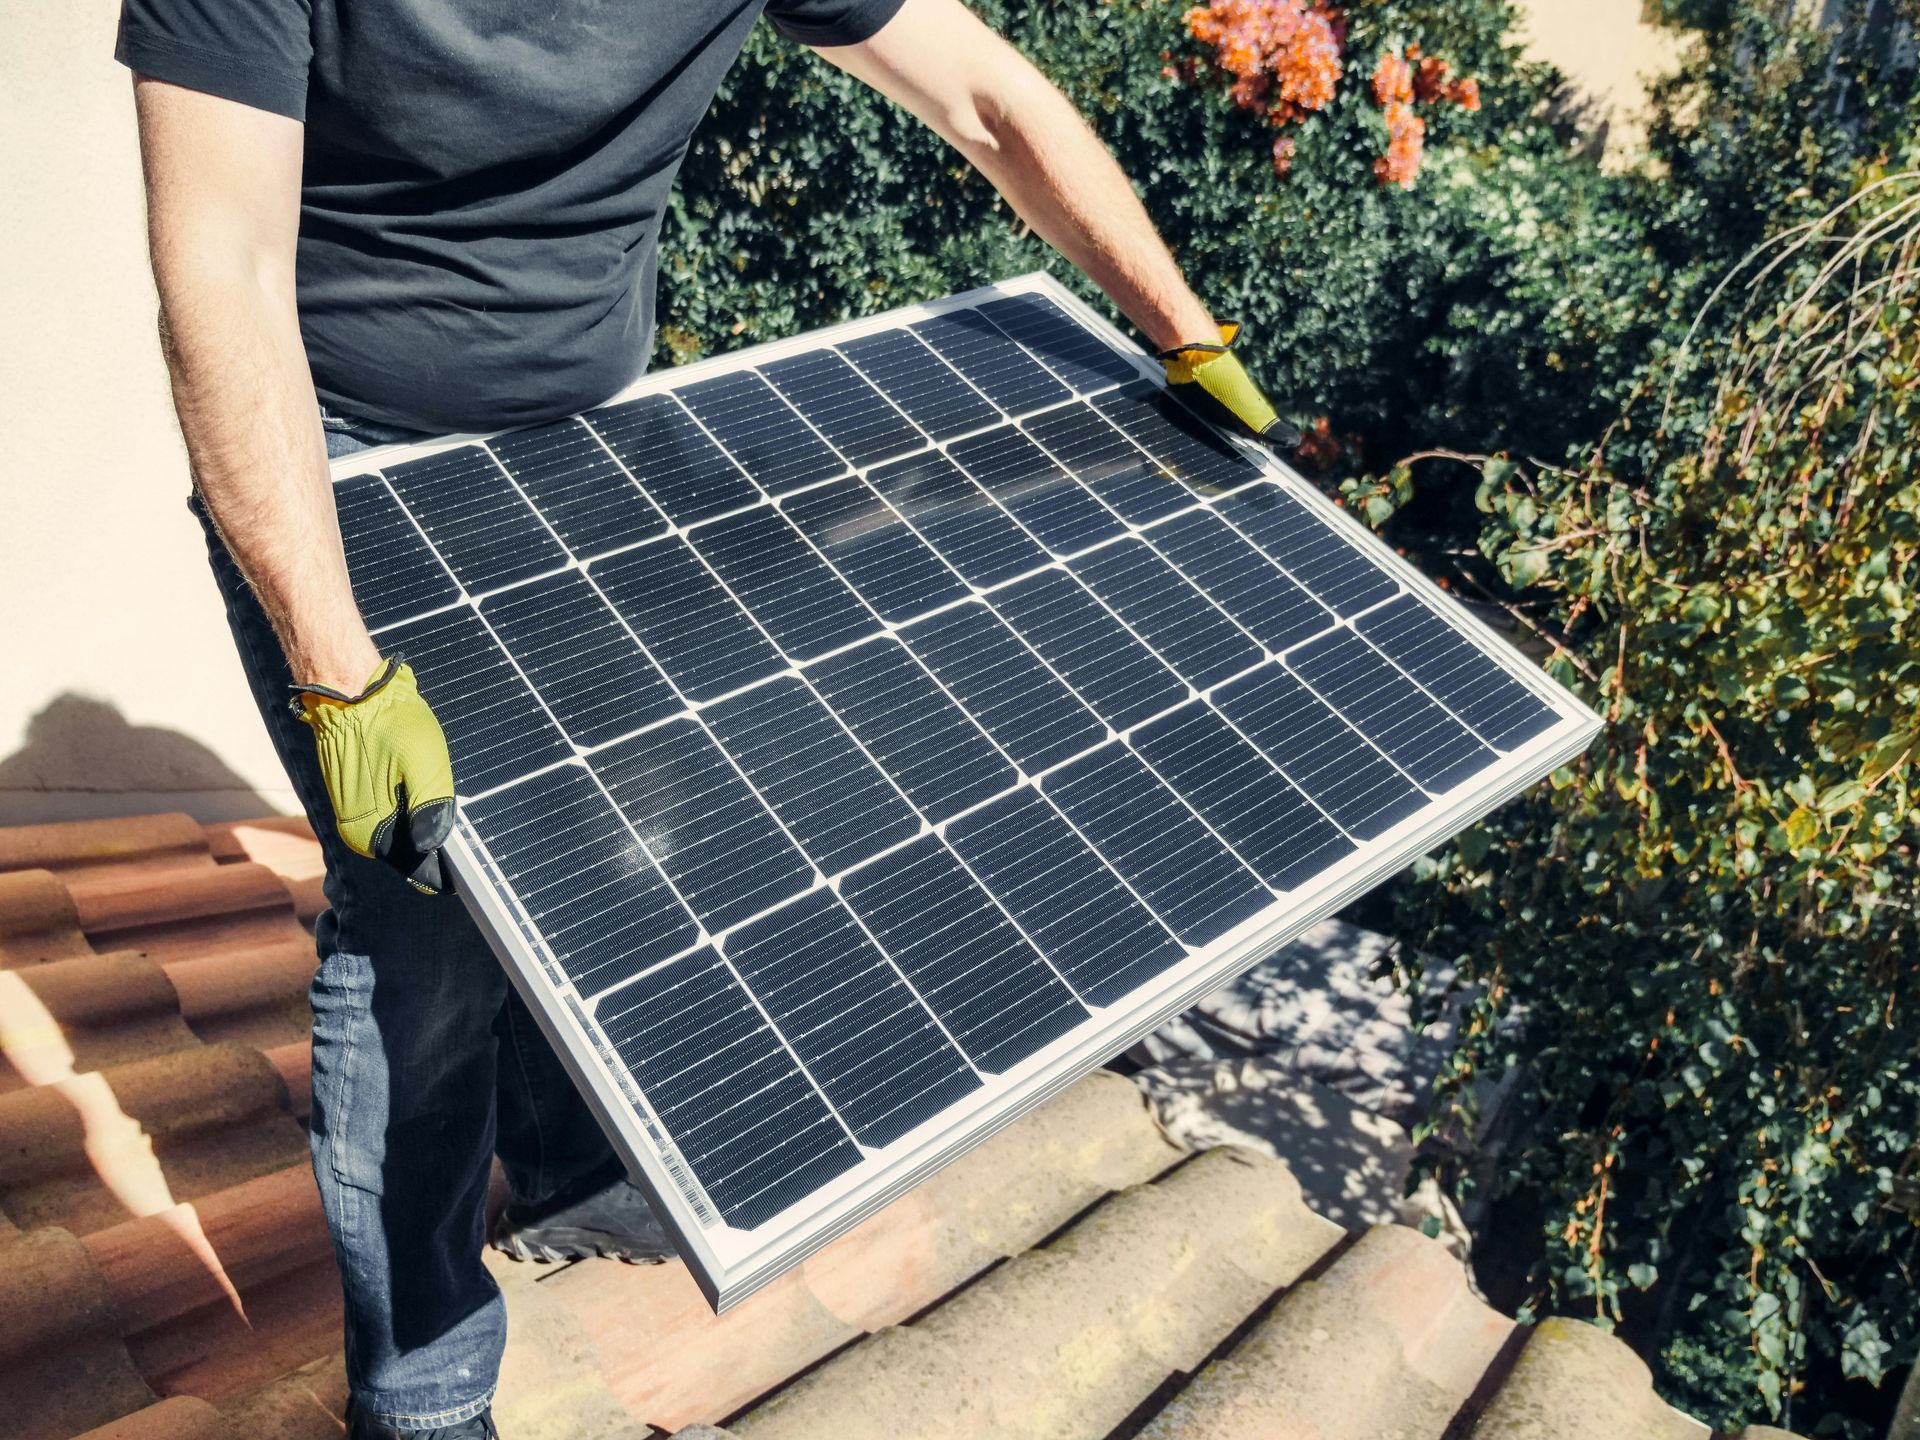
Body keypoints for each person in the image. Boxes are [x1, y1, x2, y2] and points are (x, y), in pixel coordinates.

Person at [118, 0, 1293, 1434]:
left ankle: (562, 1167)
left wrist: (1180, 324)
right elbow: (219, 272)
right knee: (416, 935)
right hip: (343, 458)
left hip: (591, 439)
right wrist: (335, 666)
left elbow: (985, 97)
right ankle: (418, 1394)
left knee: (575, 835)